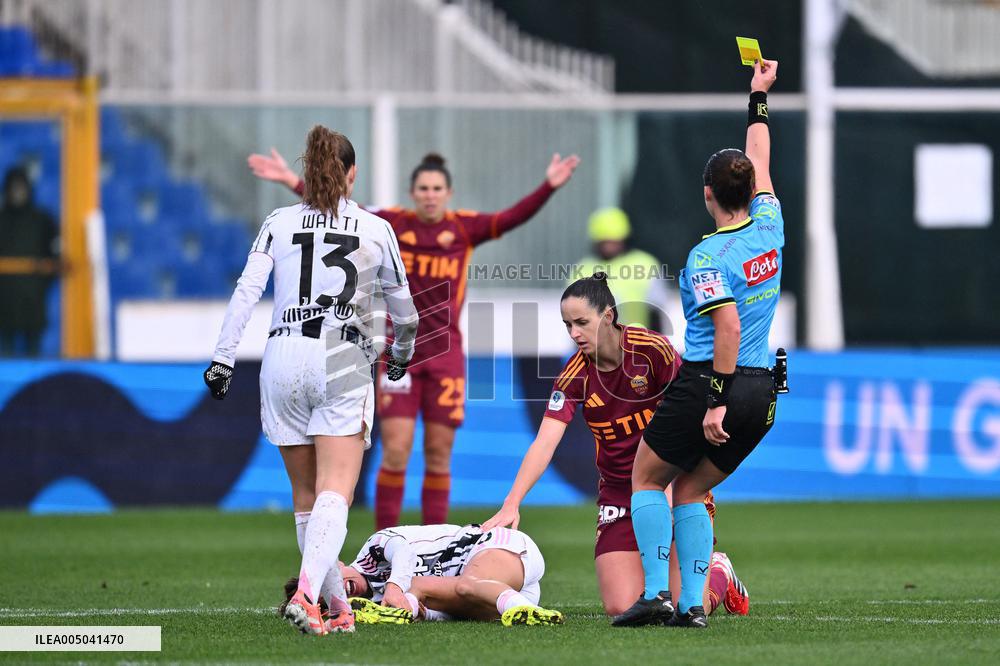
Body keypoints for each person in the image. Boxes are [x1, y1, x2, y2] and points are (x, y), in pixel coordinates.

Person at [249, 148, 580, 530]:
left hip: (446, 355)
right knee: (397, 451)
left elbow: (510, 218)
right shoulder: (390, 223)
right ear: (412, 191)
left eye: (437, 188)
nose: (430, 194)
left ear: (448, 193)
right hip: (398, 354)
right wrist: (291, 181)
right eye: (423, 188)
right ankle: (382, 545)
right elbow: (336, 205)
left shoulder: (463, 228)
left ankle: (432, 546)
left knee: (439, 454)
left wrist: (548, 187)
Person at [205, 126, 419, 636]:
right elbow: (406, 316)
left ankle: (338, 609)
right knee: (336, 493)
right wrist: (400, 357)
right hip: (343, 351)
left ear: (306, 174)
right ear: (352, 173)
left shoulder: (278, 222)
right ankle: (306, 593)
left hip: (280, 353)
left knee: (307, 499)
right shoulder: (374, 228)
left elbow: (246, 291)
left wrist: (222, 359)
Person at [613, 59, 782, 629]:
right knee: (689, 491)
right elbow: (758, 158)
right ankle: (692, 607)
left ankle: (657, 594)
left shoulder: (707, 255)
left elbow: (728, 327)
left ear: (706, 193)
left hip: (714, 378)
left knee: (646, 477)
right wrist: (758, 98)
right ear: (753, 191)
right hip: (764, 390)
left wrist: (714, 399)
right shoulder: (770, 224)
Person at [481, 273, 750, 618]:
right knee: (620, 606)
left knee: (682, 606)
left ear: (608, 316)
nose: (574, 333)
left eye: (582, 322)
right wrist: (512, 503)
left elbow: (689, 415)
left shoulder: (651, 350)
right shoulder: (574, 375)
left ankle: (719, 572)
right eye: (567, 325)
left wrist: (671, 484)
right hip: (618, 494)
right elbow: (544, 444)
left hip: (666, 481)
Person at [278, 522, 563, 627]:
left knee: (443, 585)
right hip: (501, 591)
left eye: (331, 582)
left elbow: (404, 551)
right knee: (444, 596)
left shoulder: (374, 548)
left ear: (336, 563)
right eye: (328, 600)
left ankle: (527, 612)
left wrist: (395, 587)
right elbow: (448, 608)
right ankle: (524, 608)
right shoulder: (376, 601)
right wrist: (425, 614)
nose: (337, 591)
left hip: (497, 547)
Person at [574, 207, 671, 331]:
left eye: (613, 241)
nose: (610, 246)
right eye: (605, 242)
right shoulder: (582, 269)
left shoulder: (645, 264)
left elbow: (657, 310)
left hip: (639, 343)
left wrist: (656, 345)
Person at [0, 166, 59, 357]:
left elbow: (56, 258)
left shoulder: (43, 220)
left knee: (34, 361)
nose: (17, 192)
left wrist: (40, 284)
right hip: (3, 305)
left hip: (32, 304)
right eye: (13, 187)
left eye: (21, 187)